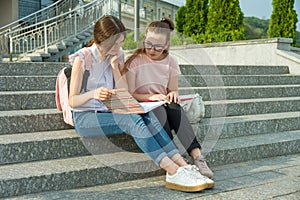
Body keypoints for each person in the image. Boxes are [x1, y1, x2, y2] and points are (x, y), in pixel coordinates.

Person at [68, 15, 214, 192]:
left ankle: (184, 166)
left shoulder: (117, 55)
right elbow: (72, 100)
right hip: (85, 118)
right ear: (103, 40)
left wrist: (114, 67)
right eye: (115, 44)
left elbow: (123, 92)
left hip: (108, 110)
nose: (119, 48)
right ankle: (173, 170)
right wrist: (94, 94)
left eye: (121, 43)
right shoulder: (83, 58)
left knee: (147, 115)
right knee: (130, 120)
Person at [123, 17, 214, 179]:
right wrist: (152, 97)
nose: (152, 49)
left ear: (166, 45)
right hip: (144, 105)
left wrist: (173, 94)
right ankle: (176, 161)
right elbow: (131, 94)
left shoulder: (171, 61)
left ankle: (197, 157)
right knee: (159, 110)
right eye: (149, 44)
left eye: (158, 47)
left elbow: (173, 90)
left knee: (173, 106)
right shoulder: (135, 61)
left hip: (163, 102)